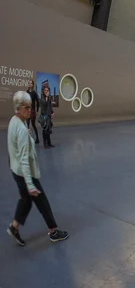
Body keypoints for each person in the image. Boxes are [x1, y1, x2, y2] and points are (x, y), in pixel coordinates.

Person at [6, 91, 69, 246]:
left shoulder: (15, 121)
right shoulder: (21, 129)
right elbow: (24, 160)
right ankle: (54, 232)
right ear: (18, 108)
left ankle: (14, 227)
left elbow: (14, 147)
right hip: (25, 173)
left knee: (26, 200)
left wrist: (26, 135)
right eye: (26, 107)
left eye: (30, 107)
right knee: (42, 202)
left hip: (16, 171)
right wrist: (30, 183)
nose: (30, 110)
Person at [26, 80, 40, 145]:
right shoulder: (26, 92)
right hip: (27, 110)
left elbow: (38, 102)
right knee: (27, 125)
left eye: (31, 83)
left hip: (32, 110)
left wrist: (37, 111)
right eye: (29, 83)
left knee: (33, 125)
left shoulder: (34, 93)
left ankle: (37, 138)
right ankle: (27, 139)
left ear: (32, 85)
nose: (29, 84)